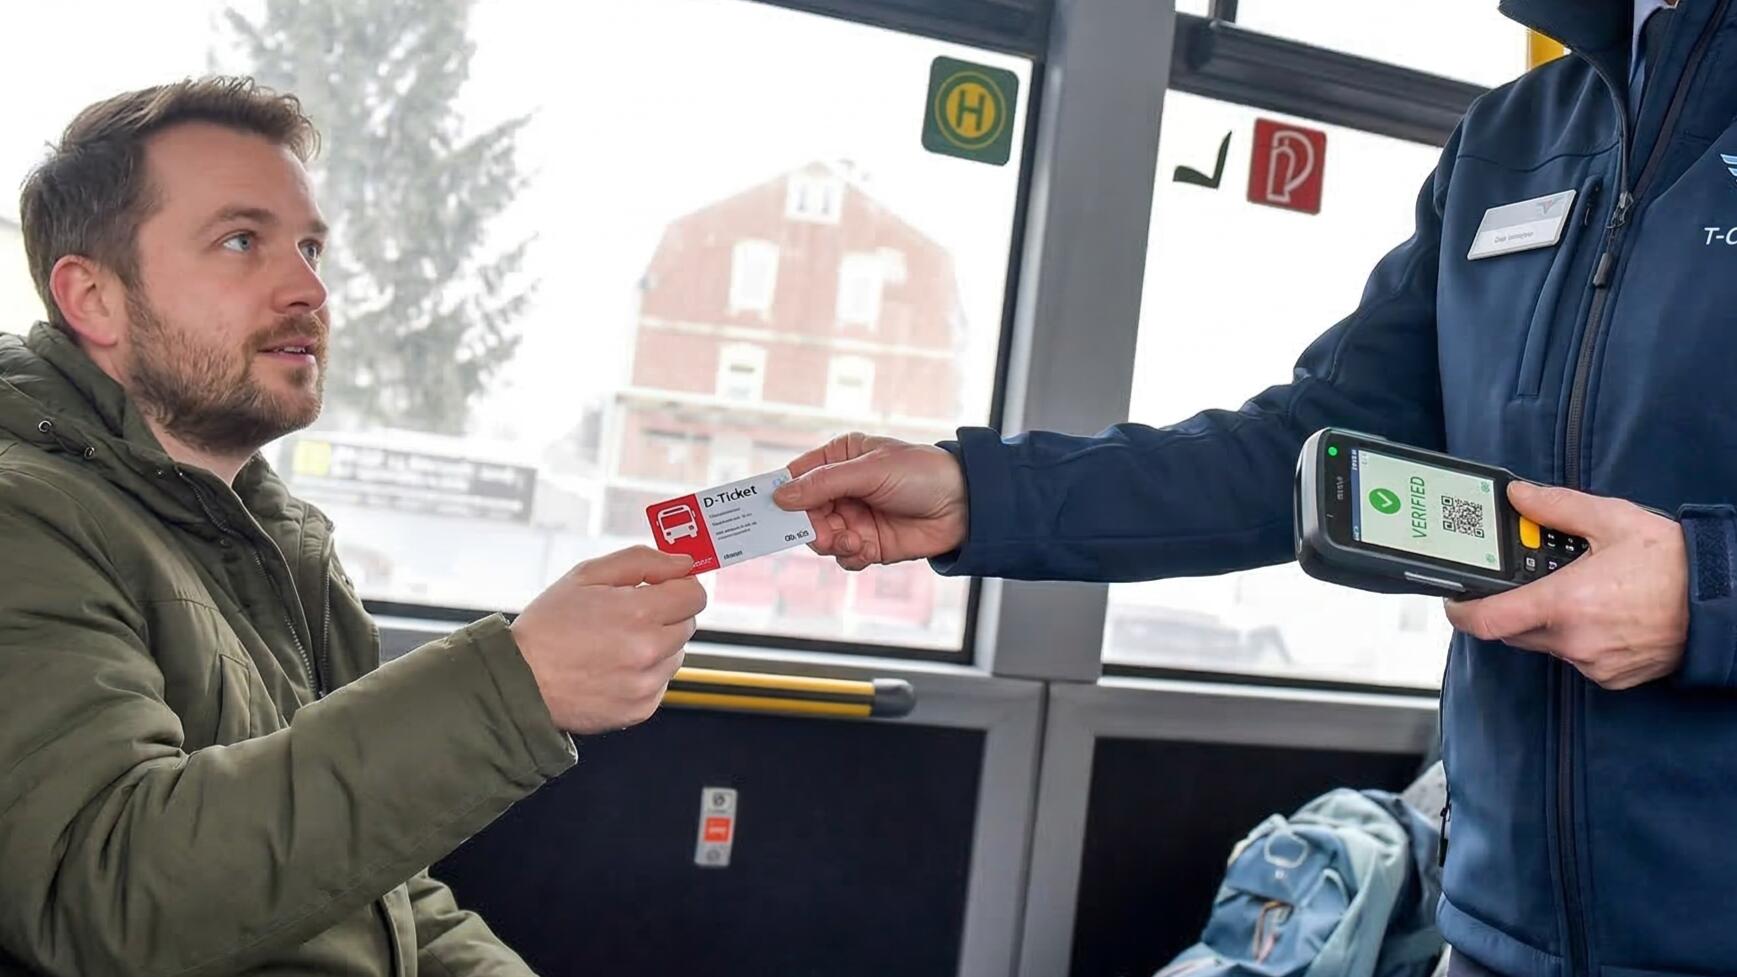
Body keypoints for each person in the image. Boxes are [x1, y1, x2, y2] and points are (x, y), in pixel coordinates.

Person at [773, 2, 1736, 975]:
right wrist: (981, 492)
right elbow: (1306, 449)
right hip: (1495, 932)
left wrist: (1703, 593)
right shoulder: (1515, 138)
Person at [0, 78, 706, 975]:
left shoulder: (278, 543)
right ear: (92, 298)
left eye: (310, 247)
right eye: (241, 241)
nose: (308, 287)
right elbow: (103, 890)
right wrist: (518, 682)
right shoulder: (25, 516)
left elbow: (378, 893)